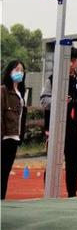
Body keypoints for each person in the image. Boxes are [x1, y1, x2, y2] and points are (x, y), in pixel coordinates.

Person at [40, 47, 77, 198]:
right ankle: (49, 194)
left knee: (74, 165)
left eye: (74, 61)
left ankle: (72, 194)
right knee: (53, 164)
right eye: (69, 61)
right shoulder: (52, 79)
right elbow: (43, 101)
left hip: (76, 130)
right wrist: (59, 101)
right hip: (56, 129)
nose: (72, 64)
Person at [1, 60, 28, 200]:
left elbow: (21, 118)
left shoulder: (21, 93)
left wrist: (20, 136)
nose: (20, 73)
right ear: (10, 71)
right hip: (4, 138)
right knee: (2, 172)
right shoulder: (3, 90)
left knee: (5, 173)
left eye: (22, 71)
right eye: (17, 70)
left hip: (14, 138)